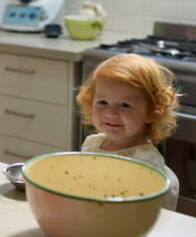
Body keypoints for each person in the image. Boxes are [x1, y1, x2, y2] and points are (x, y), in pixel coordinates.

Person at [76, 53, 180, 210]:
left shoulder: (145, 162)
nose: (110, 113)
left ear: (151, 112)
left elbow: (138, 213)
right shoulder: (93, 143)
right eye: (102, 102)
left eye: (124, 105)